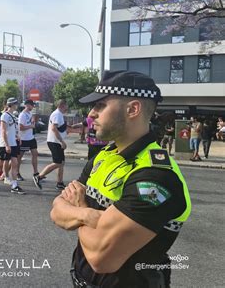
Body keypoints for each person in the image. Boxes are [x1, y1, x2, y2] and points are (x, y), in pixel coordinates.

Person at [50, 70, 191, 288]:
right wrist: (88, 214)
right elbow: (57, 209)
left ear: (133, 109)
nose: (91, 114)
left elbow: (101, 258)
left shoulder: (156, 177)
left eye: (100, 105)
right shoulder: (105, 155)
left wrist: (78, 205)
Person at [0, 98, 25, 194]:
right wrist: (7, 145)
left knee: (15, 163)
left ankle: (14, 185)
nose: (17, 105)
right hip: (5, 144)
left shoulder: (13, 116)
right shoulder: (5, 116)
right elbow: (3, 130)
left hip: (13, 143)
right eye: (15, 104)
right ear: (11, 105)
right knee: (0, 163)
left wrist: (17, 136)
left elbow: (12, 129)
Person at [33, 100, 69, 191]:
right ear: (62, 105)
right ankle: (39, 177)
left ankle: (59, 183)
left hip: (56, 141)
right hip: (55, 142)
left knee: (61, 163)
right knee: (57, 163)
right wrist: (61, 141)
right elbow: (54, 128)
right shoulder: (57, 114)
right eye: (66, 106)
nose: (67, 107)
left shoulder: (59, 114)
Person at [17, 99, 39, 180]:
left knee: (35, 154)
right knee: (19, 157)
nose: (33, 106)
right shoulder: (22, 115)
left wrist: (33, 122)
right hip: (24, 139)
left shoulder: (30, 113)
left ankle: (36, 173)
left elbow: (31, 123)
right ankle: (17, 173)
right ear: (27, 105)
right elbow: (20, 127)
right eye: (32, 105)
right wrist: (30, 126)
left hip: (31, 138)